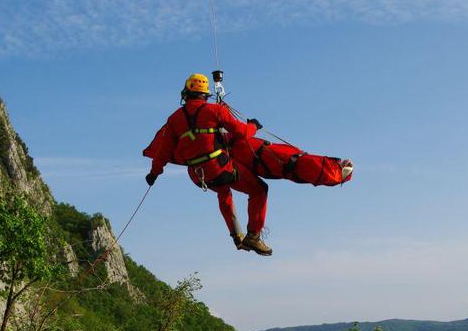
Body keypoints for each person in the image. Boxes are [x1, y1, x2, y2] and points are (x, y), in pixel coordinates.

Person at [143, 73, 353, 256]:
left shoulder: (174, 119)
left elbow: (162, 153)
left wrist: (154, 174)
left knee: (223, 194)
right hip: (220, 168)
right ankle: (253, 236)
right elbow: (242, 132)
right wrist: (253, 126)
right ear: (205, 95)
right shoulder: (214, 111)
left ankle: (237, 237)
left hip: (198, 176)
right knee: (259, 190)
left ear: (186, 94)